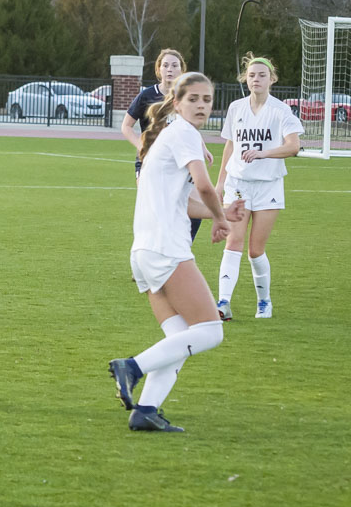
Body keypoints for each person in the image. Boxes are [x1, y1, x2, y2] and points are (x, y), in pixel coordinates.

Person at [108, 72, 245, 432]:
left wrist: (221, 213)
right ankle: (132, 366)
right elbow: (203, 184)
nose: (202, 105)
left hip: (145, 251)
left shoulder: (167, 135)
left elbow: (184, 200)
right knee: (211, 331)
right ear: (177, 102)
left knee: (180, 337)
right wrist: (221, 219)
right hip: (166, 248)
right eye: (194, 99)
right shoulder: (184, 133)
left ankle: (146, 411)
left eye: (207, 100)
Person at [214, 55, 302, 320]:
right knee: (233, 241)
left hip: (268, 186)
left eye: (262, 75)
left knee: (255, 250)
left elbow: (294, 146)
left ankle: (264, 301)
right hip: (238, 184)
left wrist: (263, 154)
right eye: (252, 75)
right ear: (246, 79)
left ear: (272, 79)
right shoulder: (236, 108)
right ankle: (223, 303)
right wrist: (219, 183)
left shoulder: (281, 110)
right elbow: (230, 145)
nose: (256, 79)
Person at [121, 48, 204, 241]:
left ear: (181, 70)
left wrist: (202, 147)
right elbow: (126, 126)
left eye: (175, 65)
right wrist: (141, 147)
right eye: (165, 65)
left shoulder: (186, 96)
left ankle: (182, 250)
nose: (170, 69)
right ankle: (148, 256)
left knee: (193, 210)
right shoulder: (147, 96)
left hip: (181, 162)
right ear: (158, 69)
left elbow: (189, 127)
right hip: (150, 162)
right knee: (154, 211)